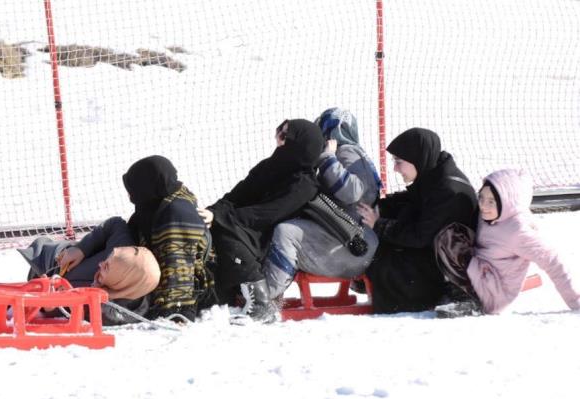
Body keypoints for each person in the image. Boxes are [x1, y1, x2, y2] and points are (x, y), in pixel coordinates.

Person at [20, 155, 213, 324]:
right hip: (60, 266)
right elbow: (115, 225)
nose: (130, 196)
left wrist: (177, 313)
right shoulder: (125, 246)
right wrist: (82, 248)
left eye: (133, 189)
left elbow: (178, 272)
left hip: (135, 279)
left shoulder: (175, 218)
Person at [199, 119, 324, 322]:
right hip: (245, 225)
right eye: (279, 132)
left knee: (227, 233)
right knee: (211, 229)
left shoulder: (304, 184)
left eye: (284, 136)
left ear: (298, 145)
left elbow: (267, 214)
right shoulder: (269, 166)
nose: (277, 139)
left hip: (268, 236)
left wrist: (221, 219)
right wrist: (213, 212)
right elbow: (237, 195)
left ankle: (261, 303)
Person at [262, 108, 380, 303]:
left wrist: (327, 157)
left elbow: (352, 192)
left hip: (349, 246)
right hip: (353, 243)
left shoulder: (346, 151)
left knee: (286, 232)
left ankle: (266, 298)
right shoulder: (355, 153)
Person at [358, 127, 478, 313]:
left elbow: (420, 235)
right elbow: (411, 200)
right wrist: (379, 207)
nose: (395, 168)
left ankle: (452, 295)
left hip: (450, 268)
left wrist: (378, 224)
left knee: (386, 261)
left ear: (418, 158)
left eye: (399, 162)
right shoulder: (433, 176)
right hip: (434, 253)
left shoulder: (448, 191)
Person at [434, 169, 580, 317]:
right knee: (456, 231)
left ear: (507, 202)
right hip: (484, 271)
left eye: (491, 201)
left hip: (492, 292)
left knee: (450, 239)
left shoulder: (517, 231)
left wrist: (576, 301)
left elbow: (552, 261)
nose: (483, 206)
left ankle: (469, 301)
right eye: (481, 198)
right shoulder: (492, 214)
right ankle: (454, 285)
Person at [18, 217, 161, 324]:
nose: (101, 263)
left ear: (122, 281)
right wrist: (81, 249)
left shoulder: (107, 310)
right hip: (47, 256)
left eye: (106, 267)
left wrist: (50, 307)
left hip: (40, 289)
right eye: (107, 259)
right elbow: (115, 224)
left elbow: (70, 312)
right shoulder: (124, 256)